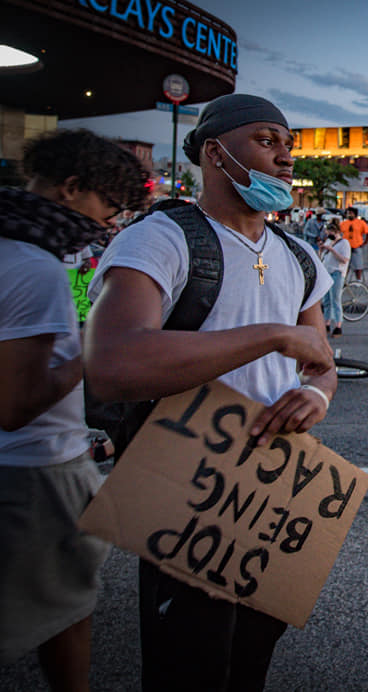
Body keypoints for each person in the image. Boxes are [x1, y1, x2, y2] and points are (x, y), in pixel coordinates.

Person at [84, 94, 336, 692]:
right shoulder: (161, 240)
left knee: (253, 652)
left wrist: (317, 396)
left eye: (289, 145)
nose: (286, 158)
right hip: (185, 481)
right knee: (190, 656)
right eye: (267, 141)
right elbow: (113, 363)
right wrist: (271, 335)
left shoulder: (299, 255)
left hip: (269, 489)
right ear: (216, 154)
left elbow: (321, 363)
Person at [0, 129, 148, 687]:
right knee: (66, 610)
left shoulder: (12, 246)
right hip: (34, 468)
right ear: (70, 188)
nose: (111, 220)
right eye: (110, 203)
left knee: (61, 609)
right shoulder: (35, 268)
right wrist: (91, 349)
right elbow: (15, 404)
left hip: (29, 463)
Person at [320, 221, 352, 337]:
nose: (329, 235)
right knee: (326, 300)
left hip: (337, 272)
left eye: (331, 232)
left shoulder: (344, 243)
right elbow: (323, 256)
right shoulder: (329, 241)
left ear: (337, 232)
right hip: (327, 272)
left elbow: (344, 260)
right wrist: (322, 249)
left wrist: (332, 250)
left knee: (335, 299)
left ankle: (338, 325)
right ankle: (327, 323)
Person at [340, 206, 368, 281]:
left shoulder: (361, 223)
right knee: (345, 265)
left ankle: (358, 280)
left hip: (357, 246)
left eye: (351, 213)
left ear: (355, 214)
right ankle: (343, 280)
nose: (349, 215)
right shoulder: (343, 223)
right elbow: (338, 232)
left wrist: (365, 242)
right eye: (348, 213)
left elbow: (367, 232)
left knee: (358, 265)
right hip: (346, 247)